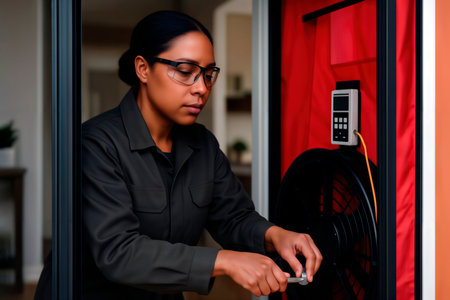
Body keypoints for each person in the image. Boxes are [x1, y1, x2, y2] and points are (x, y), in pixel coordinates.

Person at [80, 10, 322, 300]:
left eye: (208, 74)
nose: (201, 88)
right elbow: (118, 252)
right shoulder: (97, 143)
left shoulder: (203, 146)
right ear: (143, 69)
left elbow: (233, 217)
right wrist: (224, 262)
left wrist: (275, 235)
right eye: (185, 72)